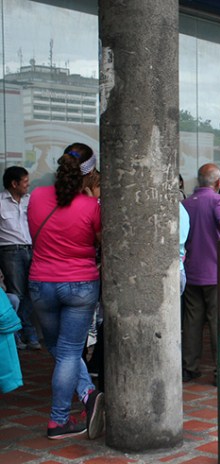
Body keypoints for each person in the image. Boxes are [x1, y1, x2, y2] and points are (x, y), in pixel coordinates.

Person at [27, 142, 104, 440]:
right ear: (89, 173)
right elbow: (101, 243)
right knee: (70, 352)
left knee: (59, 349)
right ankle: (59, 419)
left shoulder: (35, 196)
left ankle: (86, 393)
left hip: (40, 282)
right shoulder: (91, 206)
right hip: (80, 284)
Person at [182, 163, 220, 382]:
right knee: (218, 321)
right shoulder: (217, 200)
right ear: (218, 182)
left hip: (191, 270)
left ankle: (189, 366)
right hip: (215, 272)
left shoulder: (185, 203)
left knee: (192, 321)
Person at [0, 166, 40, 350]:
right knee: (17, 293)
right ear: (13, 184)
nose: (28, 184)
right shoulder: (0, 202)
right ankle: (16, 334)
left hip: (31, 249)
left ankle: (27, 329)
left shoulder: (30, 201)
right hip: (10, 251)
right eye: (25, 181)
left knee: (32, 291)